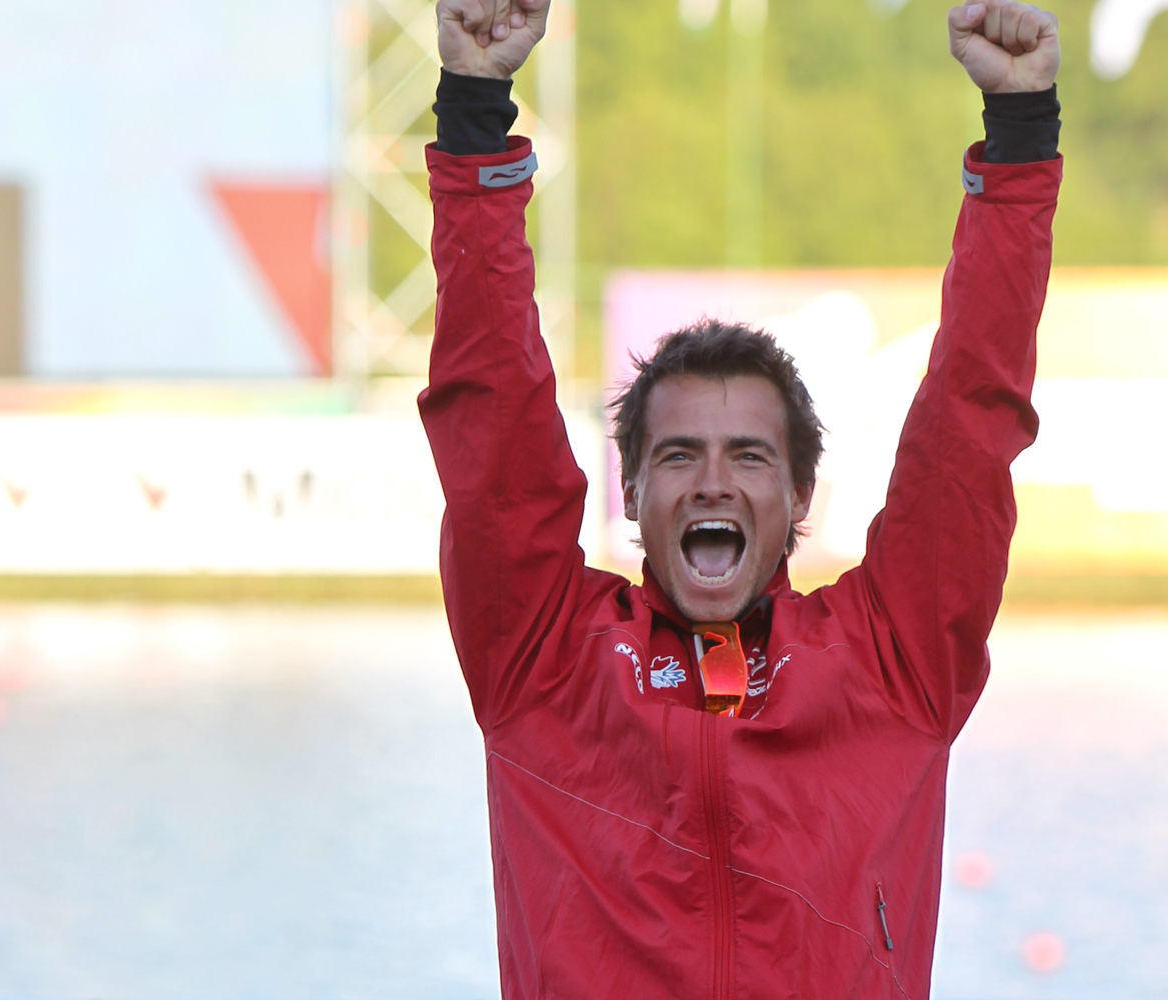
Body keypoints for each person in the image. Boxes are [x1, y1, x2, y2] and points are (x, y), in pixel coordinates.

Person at [419, 1, 1061, 995]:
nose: (712, 479)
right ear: (629, 491)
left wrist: (1018, 143)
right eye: (678, 455)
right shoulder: (541, 658)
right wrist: (472, 112)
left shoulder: (894, 665)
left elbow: (971, 422)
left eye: (747, 458)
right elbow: (489, 406)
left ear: (800, 492)